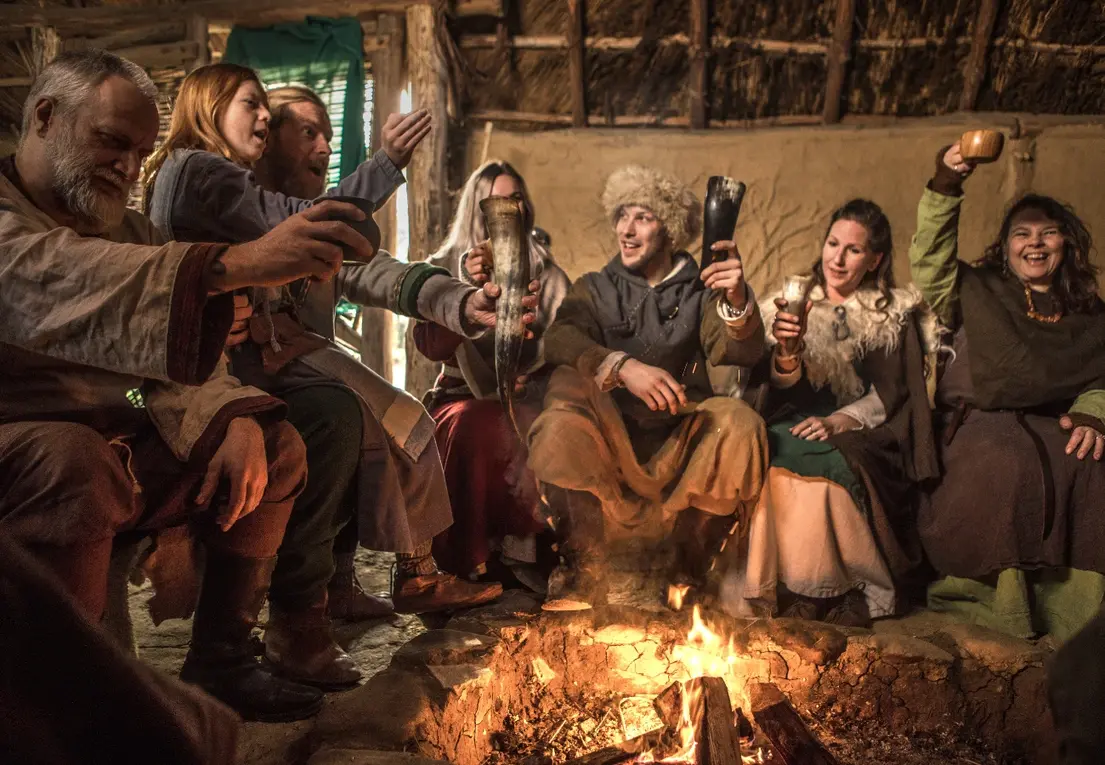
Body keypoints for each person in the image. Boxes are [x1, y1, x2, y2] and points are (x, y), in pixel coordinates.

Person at [0, 50, 378, 721]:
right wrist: (234, 264)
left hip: (117, 428)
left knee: (276, 441)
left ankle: (223, 659)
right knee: (74, 461)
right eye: (111, 142)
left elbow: (148, 378)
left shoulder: (128, 226)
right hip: (28, 449)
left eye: (140, 151)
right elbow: (50, 275)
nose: (127, 166)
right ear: (44, 117)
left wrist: (229, 413)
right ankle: (70, 696)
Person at [145, 64, 537, 690]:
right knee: (341, 410)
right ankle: (300, 616)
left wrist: (461, 303)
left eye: (330, 136)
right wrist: (384, 164)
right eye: (309, 134)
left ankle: (340, 583)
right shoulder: (229, 196)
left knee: (369, 406)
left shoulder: (295, 225)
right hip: (218, 380)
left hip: (283, 371)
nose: (326, 148)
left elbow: (380, 270)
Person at [527, 164, 769, 611]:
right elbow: (560, 338)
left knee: (740, 425)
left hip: (679, 447)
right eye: (622, 215)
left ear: (672, 229)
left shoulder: (701, 293)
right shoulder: (594, 288)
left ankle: (687, 574)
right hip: (609, 443)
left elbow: (742, 353)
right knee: (560, 417)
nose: (627, 229)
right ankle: (586, 571)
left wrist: (737, 301)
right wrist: (621, 366)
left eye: (643, 217)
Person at [911, 141, 1105, 641]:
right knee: (1005, 463)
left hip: (1055, 423)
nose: (1034, 244)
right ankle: (1003, 613)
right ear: (1006, 245)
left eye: (1048, 233)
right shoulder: (972, 289)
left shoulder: (1087, 312)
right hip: (977, 425)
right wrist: (947, 183)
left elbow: (1103, 375)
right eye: (1022, 234)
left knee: (1089, 465)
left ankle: (1077, 620)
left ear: (1066, 244)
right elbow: (930, 256)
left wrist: (1092, 413)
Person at [733, 200, 942, 627]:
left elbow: (895, 393)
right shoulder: (787, 305)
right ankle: (789, 587)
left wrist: (842, 419)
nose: (838, 258)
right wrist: (788, 352)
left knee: (829, 463)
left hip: (865, 428)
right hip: (795, 415)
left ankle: (848, 587)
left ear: (875, 259)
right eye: (833, 244)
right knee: (774, 457)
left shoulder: (890, 314)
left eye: (853, 250)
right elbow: (775, 388)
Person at [413, 160, 571, 586]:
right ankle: (472, 562)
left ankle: (539, 559)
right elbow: (430, 345)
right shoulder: (445, 266)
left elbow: (565, 343)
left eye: (516, 199)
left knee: (556, 426)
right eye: (497, 201)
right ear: (476, 210)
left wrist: (534, 379)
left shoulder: (547, 273)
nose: (510, 209)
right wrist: (463, 289)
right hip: (461, 397)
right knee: (479, 425)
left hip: (530, 394)